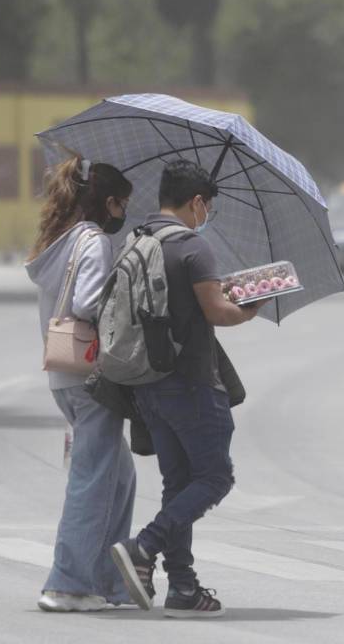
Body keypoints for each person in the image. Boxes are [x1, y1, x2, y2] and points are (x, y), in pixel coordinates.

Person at [110, 160, 259, 618]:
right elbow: (217, 312)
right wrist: (251, 307)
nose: (206, 214)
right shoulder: (194, 248)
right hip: (192, 382)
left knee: (178, 485)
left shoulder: (138, 240)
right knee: (215, 478)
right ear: (197, 202)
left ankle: (183, 587)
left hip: (147, 384)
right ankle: (144, 547)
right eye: (206, 206)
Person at [26, 155, 134, 612]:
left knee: (119, 477)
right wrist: (126, 288)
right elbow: (89, 303)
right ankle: (67, 584)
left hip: (64, 377)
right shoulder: (93, 243)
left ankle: (109, 582)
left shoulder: (61, 238)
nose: (124, 214)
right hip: (91, 377)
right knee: (93, 479)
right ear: (109, 202)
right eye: (123, 205)